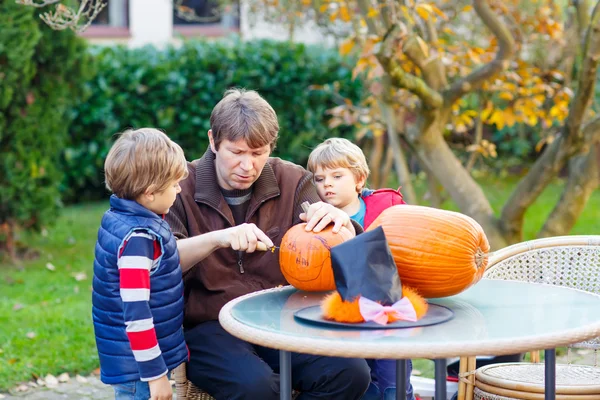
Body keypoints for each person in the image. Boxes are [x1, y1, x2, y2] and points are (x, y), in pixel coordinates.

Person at [165, 89, 371, 400]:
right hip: (211, 327)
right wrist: (217, 239)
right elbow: (163, 262)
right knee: (257, 388)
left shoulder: (293, 180)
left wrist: (339, 223)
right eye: (237, 152)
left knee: (351, 373)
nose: (248, 165)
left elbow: (350, 252)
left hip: (280, 320)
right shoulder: (181, 186)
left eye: (258, 152)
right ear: (212, 141)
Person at [307, 137, 412, 400]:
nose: (327, 183)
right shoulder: (316, 221)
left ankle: (395, 392)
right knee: (360, 379)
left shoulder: (387, 208)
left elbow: (409, 244)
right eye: (319, 179)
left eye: (336, 175)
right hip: (340, 309)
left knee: (392, 364)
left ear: (359, 179)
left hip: (385, 303)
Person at [92, 128, 189, 400]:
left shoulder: (120, 217)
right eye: (174, 185)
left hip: (137, 364)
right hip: (141, 372)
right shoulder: (138, 239)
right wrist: (156, 375)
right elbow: (136, 315)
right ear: (149, 193)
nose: (179, 189)